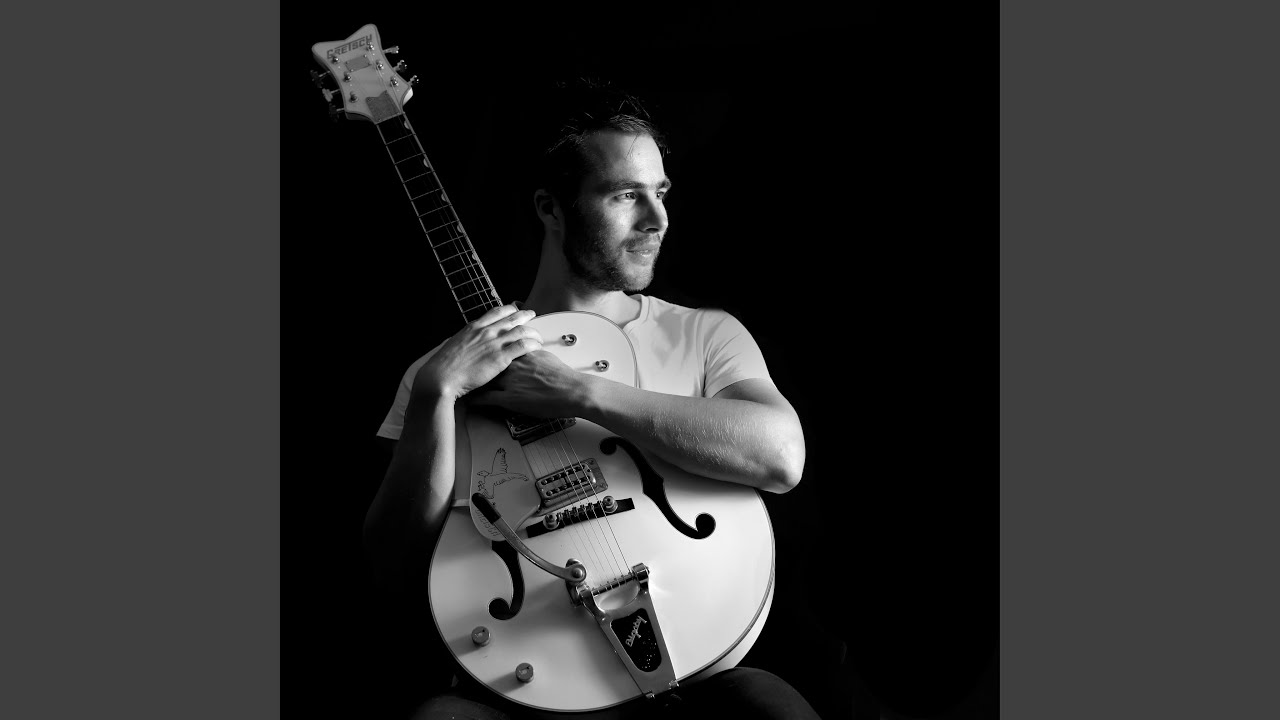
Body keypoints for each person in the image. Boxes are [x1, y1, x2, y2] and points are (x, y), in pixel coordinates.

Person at [363, 81, 819, 720]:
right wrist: (437, 395)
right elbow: (392, 568)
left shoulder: (705, 333)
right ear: (551, 208)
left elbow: (781, 456)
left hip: (701, 671)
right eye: (625, 195)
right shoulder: (442, 371)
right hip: (530, 669)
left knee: (772, 709)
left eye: (661, 192)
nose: (656, 218)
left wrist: (581, 392)